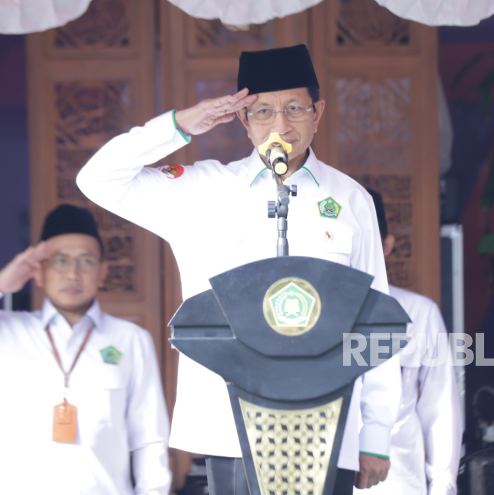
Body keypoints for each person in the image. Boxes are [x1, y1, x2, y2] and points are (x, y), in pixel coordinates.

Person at [77, 44, 401, 493]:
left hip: (330, 423)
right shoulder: (203, 191)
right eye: (263, 111)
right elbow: (97, 179)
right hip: (231, 428)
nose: (281, 125)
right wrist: (179, 125)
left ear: (318, 112)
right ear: (244, 121)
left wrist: (377, 432)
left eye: (294, 108)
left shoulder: (350, 201)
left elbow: (374, 319)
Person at [0, 204, 171, 495]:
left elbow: (150, 437)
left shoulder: (131, 339)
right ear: (38, 271)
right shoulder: (2, 334)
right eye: (60, 260)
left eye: (85, 261)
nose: (73, 273)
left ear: (102, 272)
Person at [361, 189, 462, 495]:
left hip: (400, 485)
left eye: (367, 241)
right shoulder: (308, 319)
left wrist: (442, 487)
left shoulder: (420, 314)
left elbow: (441, 410)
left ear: (386, 245)